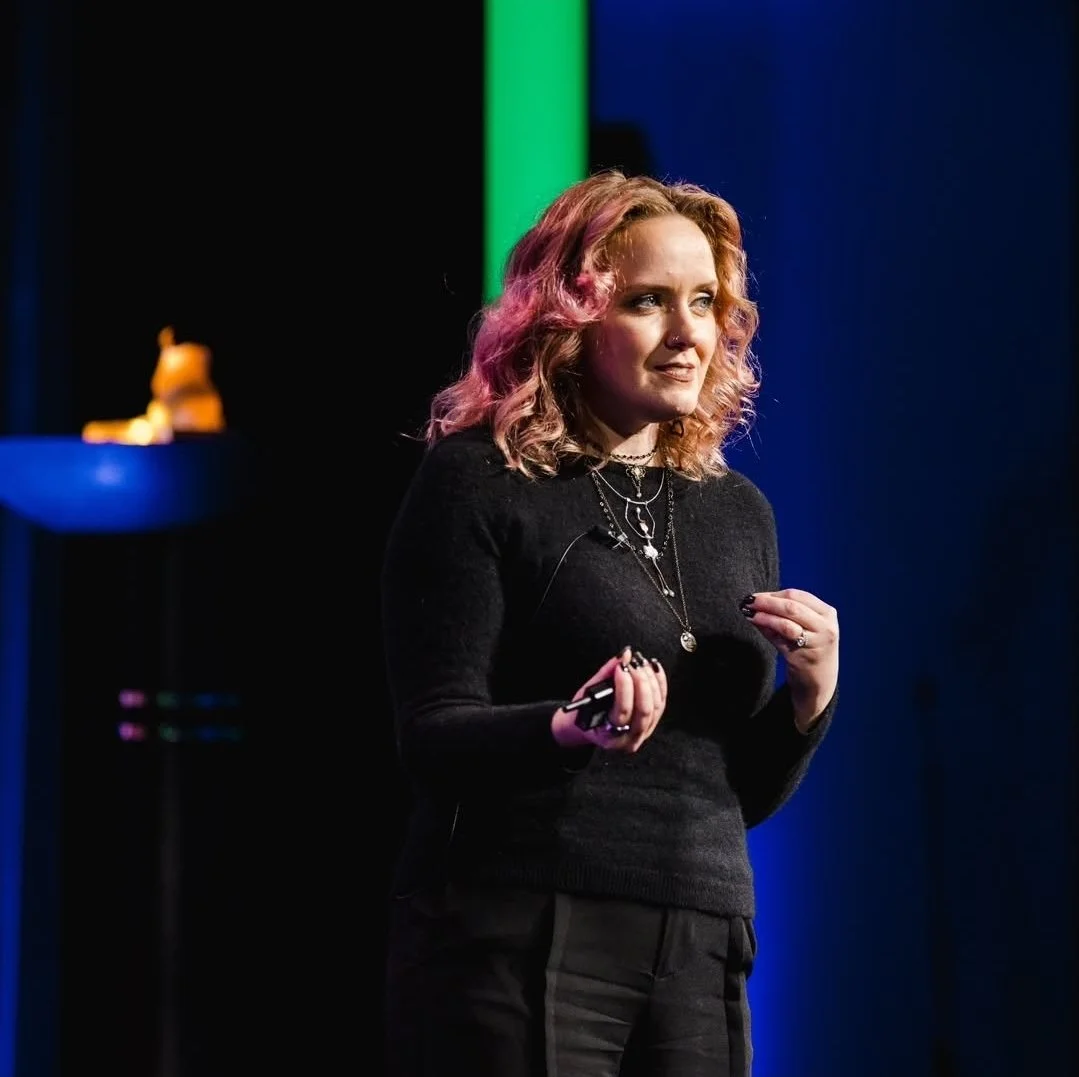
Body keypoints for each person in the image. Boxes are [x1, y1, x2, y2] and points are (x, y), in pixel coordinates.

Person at [379, 169, 840, 1077]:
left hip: (703, 934)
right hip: (521, 926)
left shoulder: (736, 510)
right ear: (570, 319)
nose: (687, 333)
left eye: (704, 302)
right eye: (647, 302)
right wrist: (563, 727)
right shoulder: (481, 480)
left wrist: (805, 703)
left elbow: (724, 791)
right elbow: (429, 734)